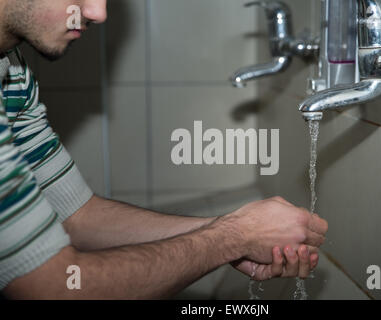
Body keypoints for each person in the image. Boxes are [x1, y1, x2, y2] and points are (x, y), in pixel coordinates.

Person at [0, 0, 328, 299]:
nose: (98, 13)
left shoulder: (12, 70)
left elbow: (76, 216)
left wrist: (234, 232)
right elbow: (52, 288)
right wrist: (232, 238)